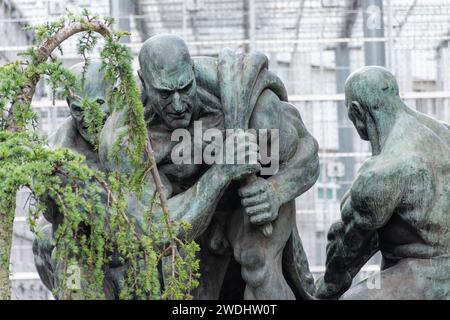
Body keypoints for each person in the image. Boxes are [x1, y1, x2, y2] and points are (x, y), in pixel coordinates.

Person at [100, 34, 320, 299]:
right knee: (187, 289)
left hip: (250, 203)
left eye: (184, 88)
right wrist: (222, 171)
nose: (178, 105)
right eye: (165, 94)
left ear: (192, 70)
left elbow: (306, 151)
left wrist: (276, 191)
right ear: (143, 83)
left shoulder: (241, 91)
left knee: (258, 262)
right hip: (190, 214)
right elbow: (158, 227)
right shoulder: (123, 138)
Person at [315, 66, 450, 300]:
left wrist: (329, 285)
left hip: (428, 270)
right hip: (422, 262)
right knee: (377, 282)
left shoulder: (382, 171)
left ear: (357, 112)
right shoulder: (443, 132)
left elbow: (348, 244)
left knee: (354, 299)